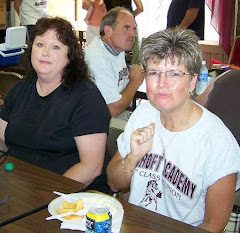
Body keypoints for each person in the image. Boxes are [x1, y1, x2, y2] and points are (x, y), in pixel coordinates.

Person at [107, 28, 240, 232]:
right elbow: (113, 183)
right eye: (154, 73)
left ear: (193, 81)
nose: (161, 83)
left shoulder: (219, 143)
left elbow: (213, 225)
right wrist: (133, 157)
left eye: (174, 74)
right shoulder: (143, 115)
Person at [0, 17, 111, 193]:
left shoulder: (86, 97)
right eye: (40, 44)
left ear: (70, 56)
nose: (45, 52)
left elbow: (91, 167)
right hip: (22, 186)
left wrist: (48, 196)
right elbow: (4, 141)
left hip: (68, 193)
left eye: (56, 47)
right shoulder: (20, 89)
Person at [84, 7, 144, 118]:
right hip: (99, 120)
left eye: (134, 29)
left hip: (116, 113)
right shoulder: (97, 58)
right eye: (126, 28)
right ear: (108, 31)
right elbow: (113, 110)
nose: (133, 34)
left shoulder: (117, 48)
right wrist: (134, 82)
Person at [104, 0, 144, 65]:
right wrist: (130, 16)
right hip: (131, 28)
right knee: (135, 63)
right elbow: (140, 8)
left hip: (113, 29)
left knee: (114, 62)